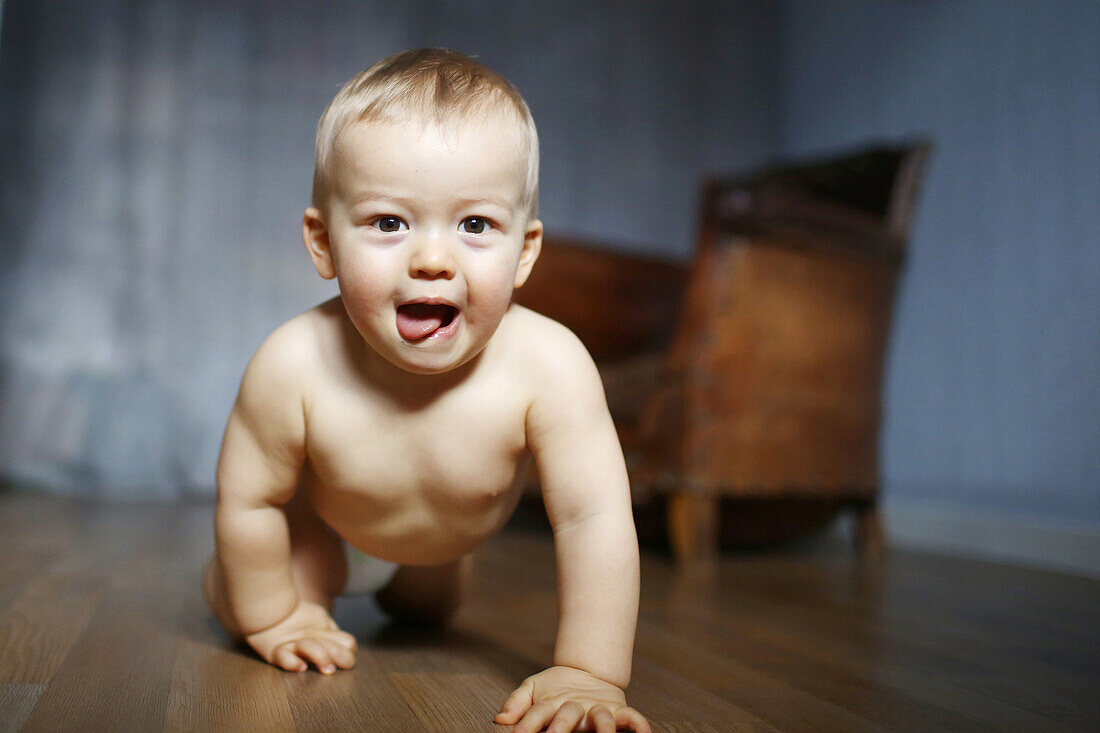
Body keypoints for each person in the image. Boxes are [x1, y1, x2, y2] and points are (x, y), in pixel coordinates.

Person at [202, 48, 649, 732]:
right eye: (389, 222)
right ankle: (280, 594)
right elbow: (249, 497)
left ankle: (422, 578)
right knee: (257, 591)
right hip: (327, 525)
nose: (433, 260)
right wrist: (271, 612)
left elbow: (594, 520)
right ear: (323, 243)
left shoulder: (550, 365)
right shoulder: (293, 363)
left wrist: (590, 670)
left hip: (445, 544)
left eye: (475, 224)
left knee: (426, 614)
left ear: (524, 251)